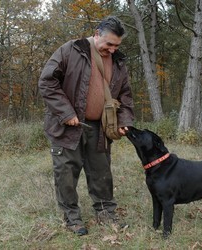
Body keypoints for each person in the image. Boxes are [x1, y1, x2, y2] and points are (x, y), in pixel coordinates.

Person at [38, 16, 134, 236]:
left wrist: (124, 121)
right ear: (97, 34)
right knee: (66, 173)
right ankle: (72, 218)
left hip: (100, 127)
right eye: (108, 44)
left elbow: (126, 95)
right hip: (68, 125)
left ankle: (106, 213)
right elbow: (47, 81)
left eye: (117, 45)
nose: (112, 49)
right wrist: (66, 112)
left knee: (102, 172)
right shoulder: (71, 50)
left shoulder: (118, 61)